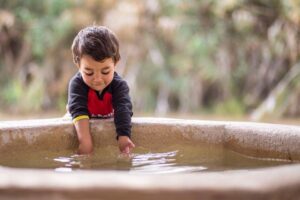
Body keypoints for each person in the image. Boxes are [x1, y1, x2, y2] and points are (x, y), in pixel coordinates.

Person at [67, 25, 135, 155]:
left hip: (109, 116)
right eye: (88, 72)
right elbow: (78, 110)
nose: (97, 79)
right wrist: (85, 142)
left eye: (105, 71)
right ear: (78, 64)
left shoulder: (119, 86)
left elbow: (123, 108)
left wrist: (124, 137)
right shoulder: (77, 84)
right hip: (81, 117)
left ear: (115, 63)